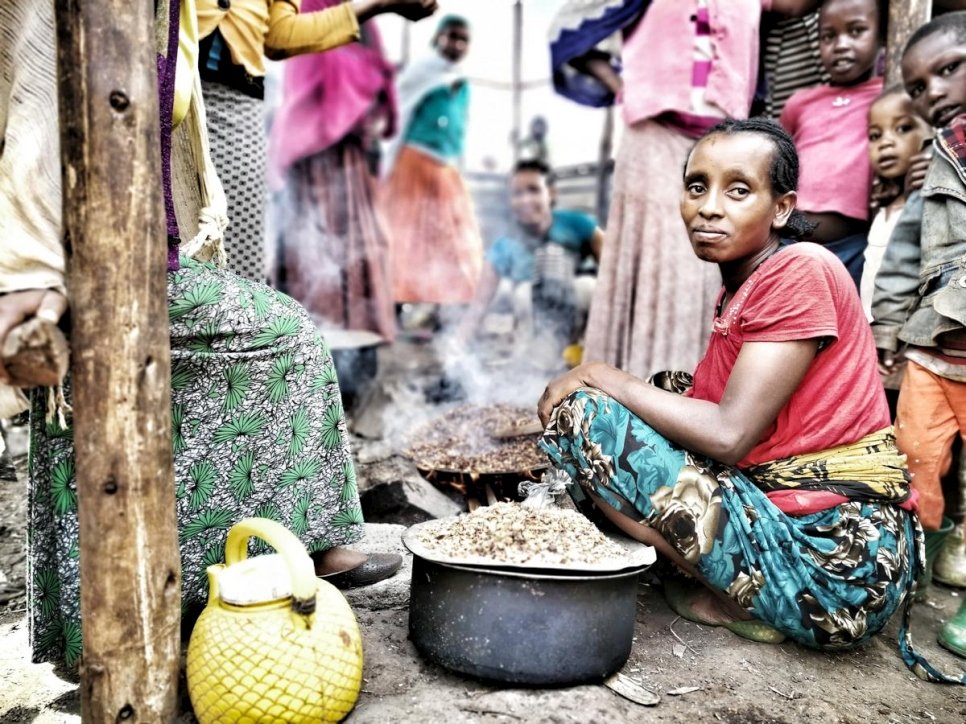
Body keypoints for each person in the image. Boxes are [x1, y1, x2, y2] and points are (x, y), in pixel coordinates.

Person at [0, 0, 404, 668]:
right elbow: (33, 116)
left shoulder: (171, 13)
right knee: (288, 340)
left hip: (148, 253)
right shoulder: (96, 12)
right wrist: (30, 270)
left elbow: (273, 38)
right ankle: (289, 553)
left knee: (189, 395)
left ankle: (190, 596)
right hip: (97, 262)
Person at [535, 118, 955, 682]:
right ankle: (712, 570)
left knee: (586, 414)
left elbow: (729, 435)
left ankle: (727, 595)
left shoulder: (802, 269)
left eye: (738, 190)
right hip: (816, 540)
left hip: (837, 573)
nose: (709, 207)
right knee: (665, 390)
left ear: (781, 208)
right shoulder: (749, 281)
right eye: (696, 186)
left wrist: (600, 374)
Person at [550, 0, 820, 381]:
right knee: (658, 264)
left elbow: (795, 5)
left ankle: (698, 394)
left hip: (725, 143)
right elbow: (572, 25)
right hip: (653, 135)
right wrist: (623, 88)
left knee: (710, 266)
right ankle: (631, 392)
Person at [194, 0, 438, 281]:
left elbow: (280, 36)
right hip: (167, 79)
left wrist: (379, 5)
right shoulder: (314, 4)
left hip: (238, 102)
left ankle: (233, 320)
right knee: (165, 224)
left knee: (236, 241)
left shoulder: (360, 24)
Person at [871, 11, 966, 661]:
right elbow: (906, 251)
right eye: (920, 82)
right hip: (936, 350)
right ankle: (915, 561)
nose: (934, 90)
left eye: (950, 69)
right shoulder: (936, 160)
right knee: (916, 459)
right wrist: (887, 326)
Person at [266, 0, 398, 343]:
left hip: (352, 153)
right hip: (314, 152)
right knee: (313, 245)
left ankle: (356, 347)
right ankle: (304, 342)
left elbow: (382, 74)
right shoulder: (308, 5)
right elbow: (324, 69)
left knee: (359, 248)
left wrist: (371, 105)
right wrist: (368, 81)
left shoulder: (364, 18)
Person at [381, 15, 483, 320]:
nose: (457, 44)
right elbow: (398, 116)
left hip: (446, 170)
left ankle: (446, 311)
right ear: (438, 37)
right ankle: (393, 306)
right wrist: (387, 163)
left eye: (463, 39)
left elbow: (460, 129)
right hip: (413, 164)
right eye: (452, 36)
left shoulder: (462, 81)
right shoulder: (421, 71)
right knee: (406, 237)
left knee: (454, 238)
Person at [779, 0, 885, 289]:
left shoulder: (888, 97)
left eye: (856, 31)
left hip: (854, 246)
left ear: (882, 37)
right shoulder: (800, 102)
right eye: (829, 36)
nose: (840, 45)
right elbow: (779, 160)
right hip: (789, 245)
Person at [457, 159, 603, 366]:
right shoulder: (504, 245)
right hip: (534, 325)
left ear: (551, 193)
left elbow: (615, 271)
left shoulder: (579, 225)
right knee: (523, 292)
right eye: (517, 193)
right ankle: (537, 358)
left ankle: (588, 350)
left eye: (534, 190)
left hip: (578, 323)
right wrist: (456, 348)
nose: (525, 200)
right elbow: (478, 306)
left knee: (588, 286)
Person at [861, 86, 932, 320]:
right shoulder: (883, 207)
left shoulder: (932, 201)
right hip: (875, 330)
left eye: (903, 128)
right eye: (875, 135)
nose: (885, 143)